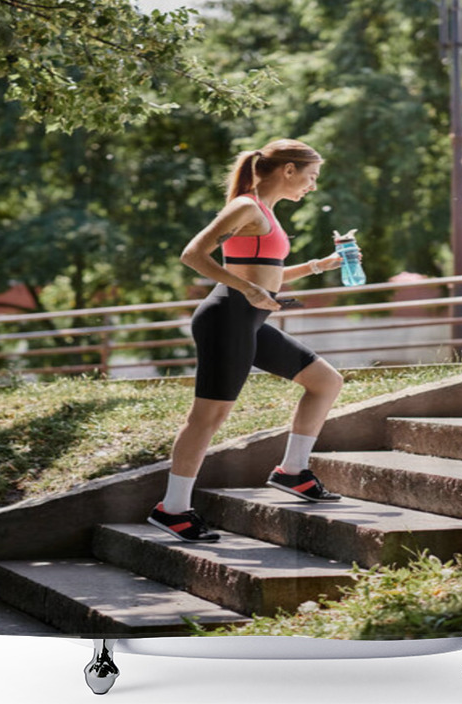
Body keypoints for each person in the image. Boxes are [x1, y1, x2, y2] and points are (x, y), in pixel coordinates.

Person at [148, 139, 349, 543]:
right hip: (225, 319)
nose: (312, 186)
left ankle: (292, 472)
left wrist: (318, 266)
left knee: (326, 382)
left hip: (248, 321)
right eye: (310, 177)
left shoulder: (265, 213)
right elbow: (193, 254)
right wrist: (249, 291)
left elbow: (265, 274)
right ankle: (172, 510)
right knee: (207, 417)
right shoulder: (245, 206)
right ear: (287, 170)